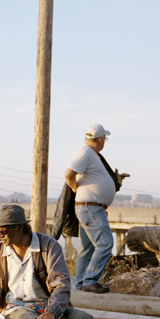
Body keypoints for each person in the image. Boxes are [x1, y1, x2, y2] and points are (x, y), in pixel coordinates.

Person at [64, 124, 128, 293]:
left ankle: (80, 285)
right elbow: (69, 175)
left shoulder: (92, 155)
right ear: (100, 139)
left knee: (87, 249)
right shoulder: (85, 152)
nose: (104, 142)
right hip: (91, 208)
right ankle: (90, 280)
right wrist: (75, 188)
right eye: (104, 139)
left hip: (90, 208)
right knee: (105, 243)